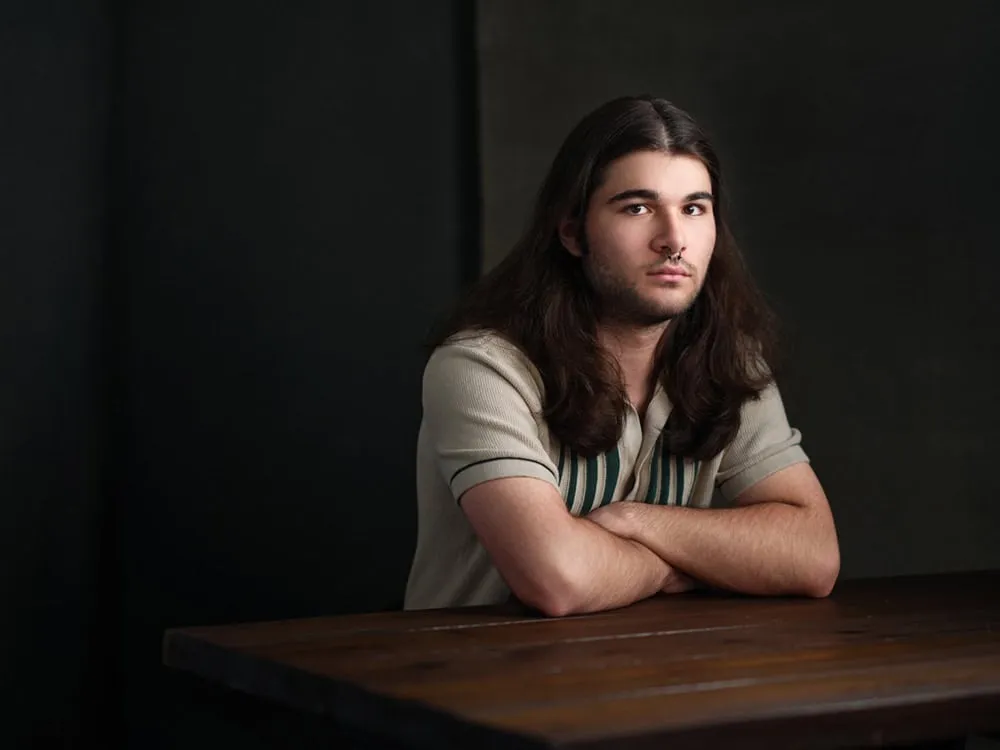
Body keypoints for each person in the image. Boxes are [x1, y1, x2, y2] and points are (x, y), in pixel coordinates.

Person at [404, 95, 840, 616]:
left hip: (645, 682)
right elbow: (557, 579)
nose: (673, 239)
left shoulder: (728, 362)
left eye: (694, 208)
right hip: (478, 682)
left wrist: (638, 523)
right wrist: (686, 565)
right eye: (638, 207)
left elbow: (814, 555)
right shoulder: (481, 369)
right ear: (572, 232)